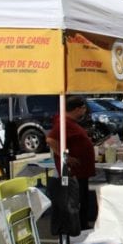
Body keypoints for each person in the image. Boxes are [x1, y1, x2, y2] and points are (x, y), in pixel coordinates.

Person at [46, 96, 96, 230]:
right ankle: (79, 227)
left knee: (82, 199)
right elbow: (51, 140)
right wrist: (66, 158)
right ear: (78, 109)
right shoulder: (63, 122)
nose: (85, 112)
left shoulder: (70, 122)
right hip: (74, 172)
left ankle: (83, 224)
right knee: (77, 200)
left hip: (80, 171)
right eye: (84, 109)